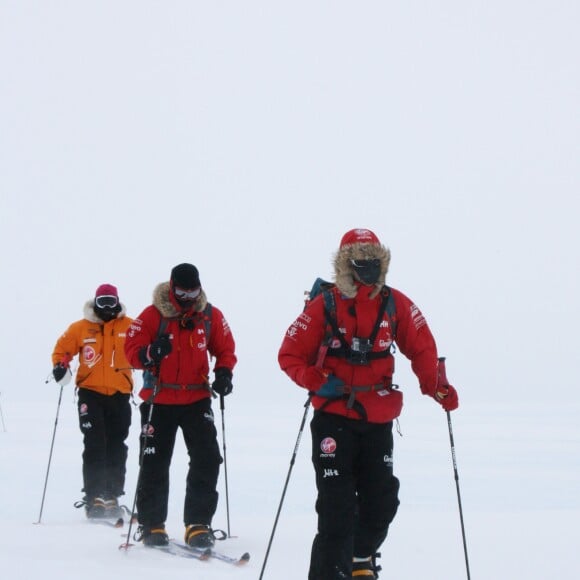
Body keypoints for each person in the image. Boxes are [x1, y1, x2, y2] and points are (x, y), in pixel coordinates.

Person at [278, 228, 459, 579]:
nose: (369, 268)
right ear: (347, 264)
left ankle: (360, 558)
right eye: (361, 261)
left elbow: (421, 347)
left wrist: (437, 388)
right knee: (336, 510)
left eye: (375, 261)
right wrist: (314, 381)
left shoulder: (396, 303)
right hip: (333, 418)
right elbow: (289, 354)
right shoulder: (323, 305)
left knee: (382, 501)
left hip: (378, 418)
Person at [124, 263, 237, 548]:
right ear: (171, 287)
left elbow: (225, 348)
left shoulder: (210, 316)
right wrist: (151, 352)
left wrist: (224, 373)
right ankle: (152, 524)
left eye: (193, 290)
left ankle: (198, 524)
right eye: (181, 291)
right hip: (158, 400)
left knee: (207, 459)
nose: (187, 296)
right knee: (153, 462)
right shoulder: (153, 315)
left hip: (197, 399)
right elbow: (131, 352)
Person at [51, 283, 134, 519]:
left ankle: (112, 494)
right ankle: (94, 495)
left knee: (117, 444)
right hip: (90, 392)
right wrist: (60, 365)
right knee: (95, 442)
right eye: (102, 302)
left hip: (120, 393)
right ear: (95, 303)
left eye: (111, 302)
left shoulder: (129, 326)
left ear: (117, 302)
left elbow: (144, 347)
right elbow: (62, 350)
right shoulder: (80, 328)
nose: (107, 307)